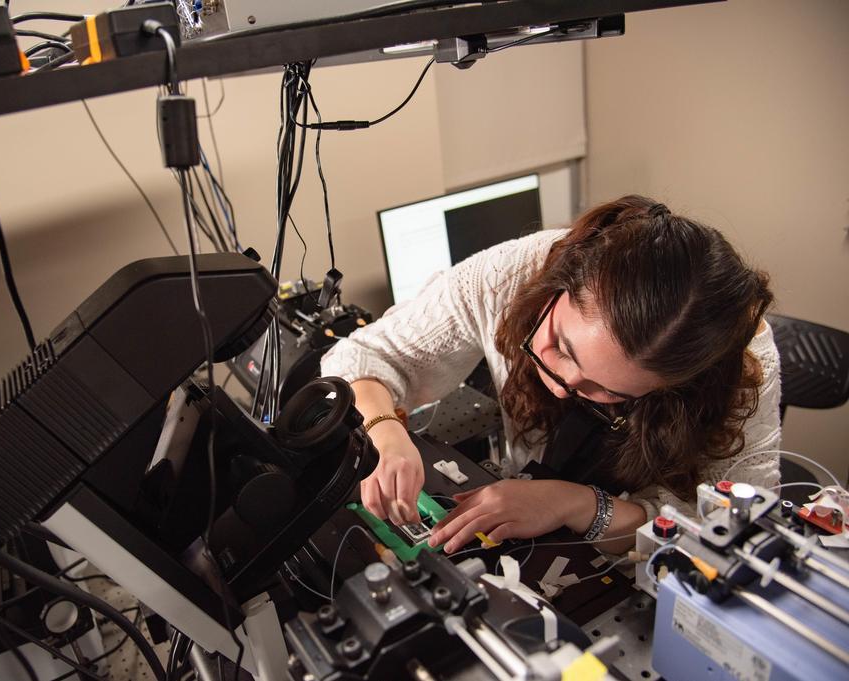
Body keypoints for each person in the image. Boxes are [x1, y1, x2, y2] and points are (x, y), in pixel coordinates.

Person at [320, 195, 780, 554]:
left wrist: (574, 504)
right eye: (560, 346)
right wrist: (385, 431)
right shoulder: (508, 275)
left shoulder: (741, 371)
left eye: (607, 390)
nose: (561, 383)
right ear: (558, 285)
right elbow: (365, 355)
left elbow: (736, 530)